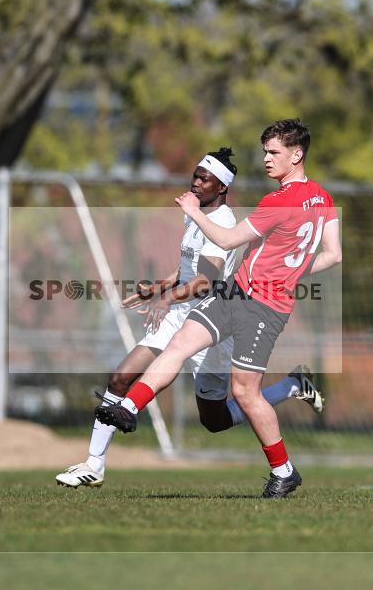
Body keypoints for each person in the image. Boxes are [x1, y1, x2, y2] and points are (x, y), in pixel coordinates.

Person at [96, 120, 342, 498]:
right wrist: (294, 270)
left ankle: (284, 469)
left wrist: (195, 211)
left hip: (264, 308)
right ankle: (129, 407)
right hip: (235, 292)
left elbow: (226, 239)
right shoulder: (323, 198)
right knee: (180, 342)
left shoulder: (278, 202)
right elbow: (333, 255)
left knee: (245, 394)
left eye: (274, 152)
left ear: (297, 155)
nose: (266, 159)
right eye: (265, 151)